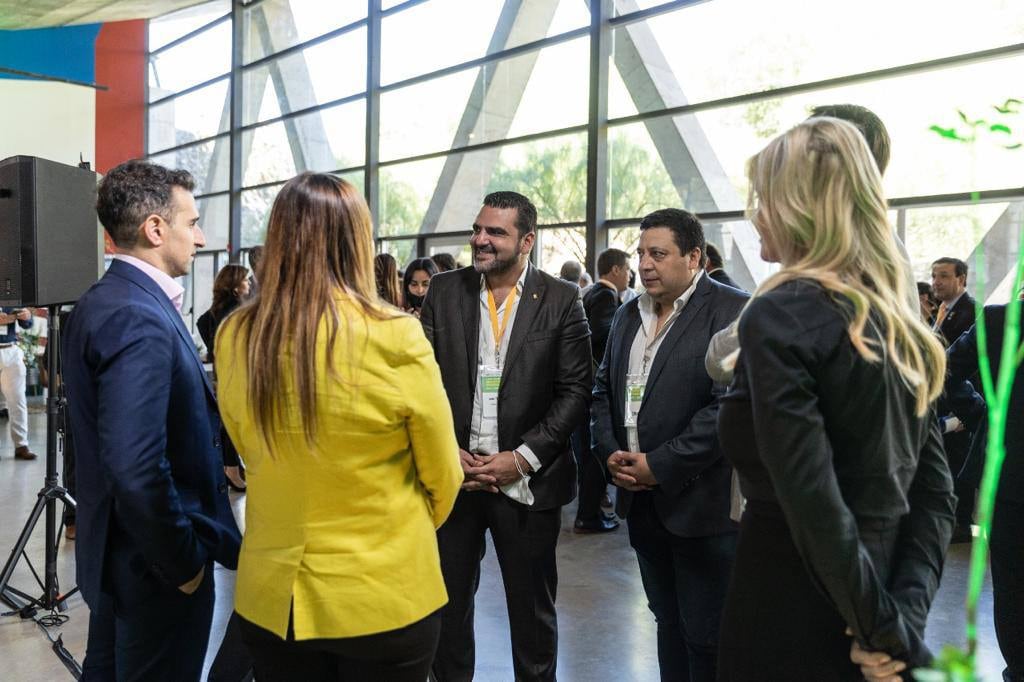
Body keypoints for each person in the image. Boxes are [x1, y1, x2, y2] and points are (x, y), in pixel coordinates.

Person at [715, 118, 955, 681]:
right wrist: (900, 626)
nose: (756, 213)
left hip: (791, 601)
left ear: (800, 205)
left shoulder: (780, 313)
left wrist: (887, 633)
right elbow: (935, 498)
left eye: (763, 197)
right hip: (879, 595)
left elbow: (813, 502)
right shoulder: (902, 324)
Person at [214, 172, 462, 681]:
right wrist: (397, 531)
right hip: (384, 592)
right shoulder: (396, 334)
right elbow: (443, 473)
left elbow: (247, 449)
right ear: (357, 241)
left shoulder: (236, 335)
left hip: (273, 596)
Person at [61, 160, 241, 681]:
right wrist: (183, 564)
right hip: (152, 570)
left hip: (120, 559)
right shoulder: (134, 314)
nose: (201, 237)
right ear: (155, 229)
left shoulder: (104, 301)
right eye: (192, 222)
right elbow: (135, 465)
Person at [421, 190, 592, 682]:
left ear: (527, 240)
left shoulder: (560, 299)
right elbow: (421, 383)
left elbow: (576, 391)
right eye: (478, 229)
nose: (480, 240)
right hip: (455, 478)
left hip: (526, 483)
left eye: (495, 232)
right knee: (447, 610)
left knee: (532, 613)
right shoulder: (445, 290)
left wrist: (522, 458)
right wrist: (443, 453)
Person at [590, 210, 747, 681]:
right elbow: (601, 392)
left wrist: (659, 464)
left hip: (702, 508)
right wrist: (610, 452)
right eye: (640, 253)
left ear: (694, 257)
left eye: (658, 254)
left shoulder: (732, 311)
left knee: (706, 636)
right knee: (666, 622)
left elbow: (727, 408)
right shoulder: (626, 313)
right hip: (640, 504)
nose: (645, 264)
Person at [946, 298, 1024, 682]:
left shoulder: (998, 320)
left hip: (1010, 471)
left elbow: (943, 370)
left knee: (1011, 582)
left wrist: (982, 412)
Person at [572, 248, 630, 534]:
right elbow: (603, 335)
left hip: (580, 385)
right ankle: (589, 515)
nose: (630, 276)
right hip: (593, 387)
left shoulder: (591, 293)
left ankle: (588, 512)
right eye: (628, 270)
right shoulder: (607, 297)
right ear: (616, 270)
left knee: (585, 454)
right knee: (593, 456)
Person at [930, 256, 978, 540]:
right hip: (939, 402)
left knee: (958, 464)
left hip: (959, 406)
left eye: (944, 276)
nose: (936, 281)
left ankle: (960, 524)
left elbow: (975, 367)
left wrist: (966, 410)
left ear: (962, 279)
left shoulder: (974, 313)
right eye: (934, 275)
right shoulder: (939, 311)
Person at [197, 264, 251, 494]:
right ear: (236, 287)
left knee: (225, 419)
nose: (249, 284)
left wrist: (212, 348)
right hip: (238, 372)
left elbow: (201, 322)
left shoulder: (216, 310)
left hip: (223, 372)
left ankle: (232, 466)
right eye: (246, 281)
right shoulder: (236, 311)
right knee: (233, 421)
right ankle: (231, 468)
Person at [0, 306, 35, 460]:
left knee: (18, 400)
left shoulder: (12, 294)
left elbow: (27, 324)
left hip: (11, 350)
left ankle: (21, 445)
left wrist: (27, 316)